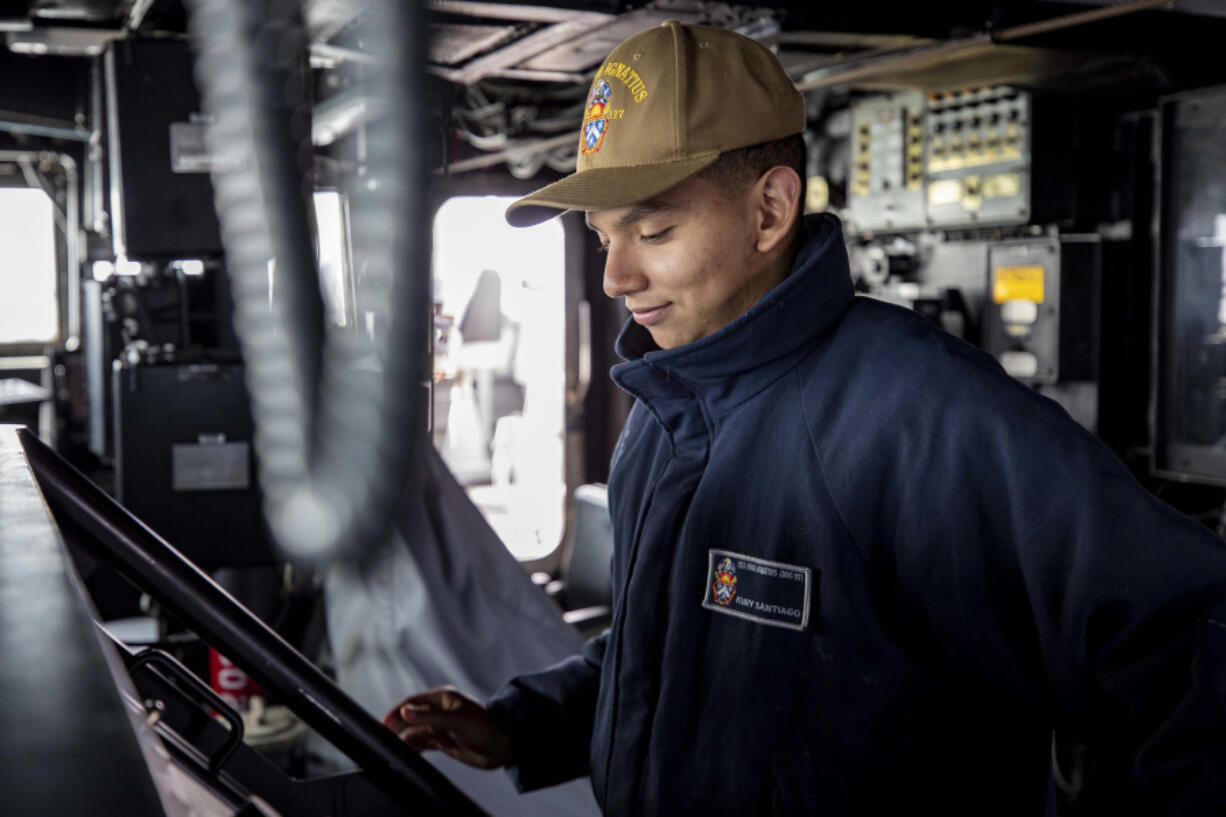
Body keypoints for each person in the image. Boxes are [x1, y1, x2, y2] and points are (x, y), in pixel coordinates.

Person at [384, 20, 1226, 815]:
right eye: (605, 236)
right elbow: (662, 650)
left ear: (770, 211)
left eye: (656, 228)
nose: (616, 276)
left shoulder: (924, 416)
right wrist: (522, 725)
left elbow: (1194, 642)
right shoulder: (661, 409)